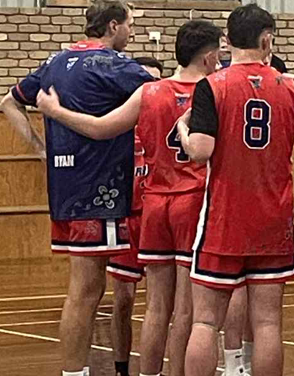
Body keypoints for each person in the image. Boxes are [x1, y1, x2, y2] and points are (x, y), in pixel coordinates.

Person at [36, 22, 225, 376]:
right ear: (211, 56)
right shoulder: (214, 90)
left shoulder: (151, 91)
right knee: (185, 310)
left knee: (154, 307)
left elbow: (99, 127)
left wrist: (56, 112)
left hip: (153, 204)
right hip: (194, 201)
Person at [0, 0, 153, 376]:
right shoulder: (114, 65)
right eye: (130, 25)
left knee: (83, 290)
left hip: (64, 189)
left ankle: (76, 371)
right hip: (100, 190)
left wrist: (40, 149)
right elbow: (158, 86)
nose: (132, 33)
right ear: (113, 26)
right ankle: (73, 372)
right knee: (86, 292)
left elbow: (8, 102)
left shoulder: (55, 62)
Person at [177, 3, 294, 376]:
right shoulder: (290, 87)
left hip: (224, 219)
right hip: (273, 220)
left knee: (205, 322)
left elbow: (200, 151)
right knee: (266, 325)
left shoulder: (211, 86)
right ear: (268, 40)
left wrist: (183, 129)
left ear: (227, 41)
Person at [108, 56, 163, 376]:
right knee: (123, 299)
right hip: (127, 216)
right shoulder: (120, 124)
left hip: (159, 214)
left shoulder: (169, 117)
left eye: (154, 81)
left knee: (165, 304)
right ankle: (121, 367)